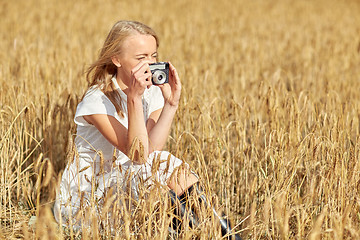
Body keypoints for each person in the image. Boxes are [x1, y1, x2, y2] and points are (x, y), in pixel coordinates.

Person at [54, 20, 240, 239]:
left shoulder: (150, 92)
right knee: (150, 176)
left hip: (134, 179)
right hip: (92, 194)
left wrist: (171, 104)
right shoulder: (97, 100)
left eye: (153, 56)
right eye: (141, 58)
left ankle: (227, 236)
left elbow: (153, 149)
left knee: (166, 163)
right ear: (116, 59)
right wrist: (134, 98)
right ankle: (199, 234)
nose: (150, 64)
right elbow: (138, 155)